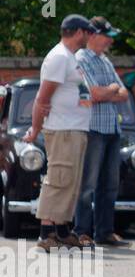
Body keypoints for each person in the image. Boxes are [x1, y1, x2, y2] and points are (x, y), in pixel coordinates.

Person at [25, 14, 94, 251]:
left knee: (70, 182)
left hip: (74, 128)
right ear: (78, 32)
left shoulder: (69, 58)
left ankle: (62, 230)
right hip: (62, 129)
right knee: (57, 179)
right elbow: (42, 98)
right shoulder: (58, 57)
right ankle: (46, 234)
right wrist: (35, 129)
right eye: (88, 32)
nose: (90, 37)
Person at [74, 17, 132, 247]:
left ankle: (105, 231)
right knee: (87, 184)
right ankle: (81, 232)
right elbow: (93, 94)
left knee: (110, 185)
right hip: (93, 129)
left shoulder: (105, 61)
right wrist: (111, 90)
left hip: (111, 128)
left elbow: (124, 93)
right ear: (94, 35)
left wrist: (108, 91)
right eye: (107, 35)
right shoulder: (81, 59)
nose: (110, 40)